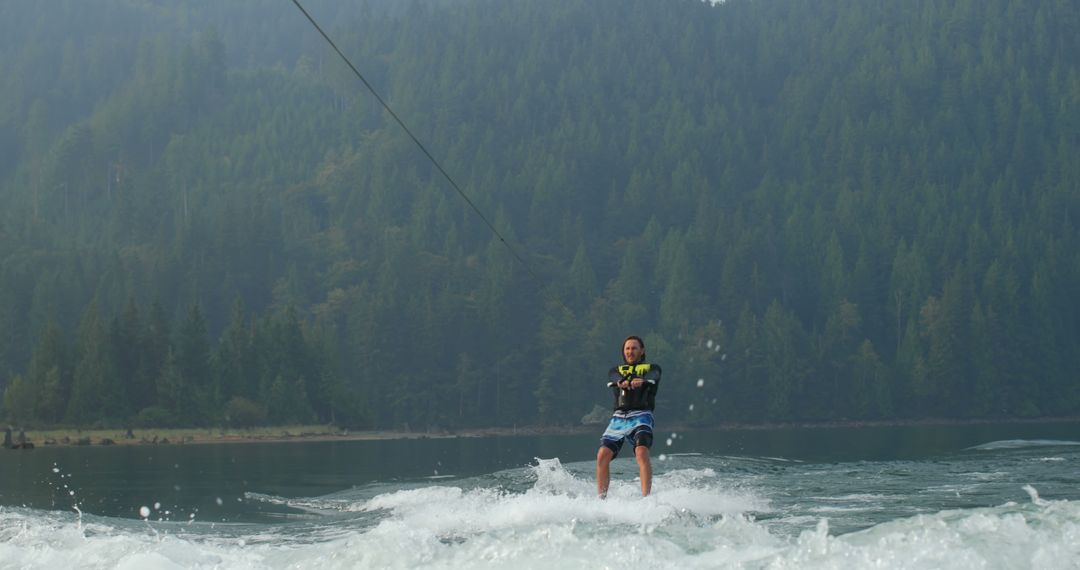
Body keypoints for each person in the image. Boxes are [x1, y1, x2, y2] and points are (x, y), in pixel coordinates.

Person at [596, 335, 661, 498]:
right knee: (602, 455)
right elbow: (613, 376)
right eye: (627, 348)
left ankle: (646, 498)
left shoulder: (652, 368)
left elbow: (654, 375)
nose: (630, 352)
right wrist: (622, 381)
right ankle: (601, 500)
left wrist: (642, 380)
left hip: (642, 416)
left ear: (642, 350)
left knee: (641, 451)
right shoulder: (616, 370)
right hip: (619, 418)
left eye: (634, 348)